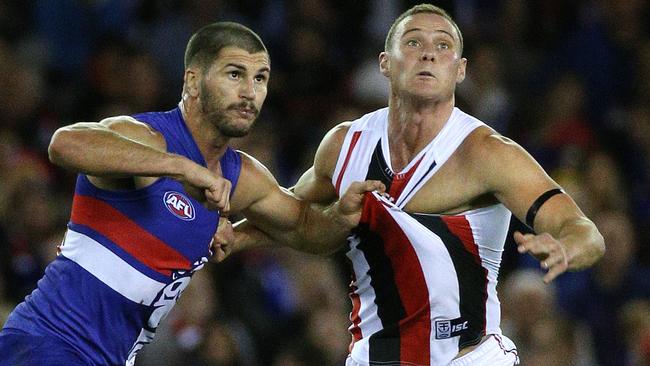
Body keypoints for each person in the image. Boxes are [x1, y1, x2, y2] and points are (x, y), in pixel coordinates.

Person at [226, 4, 605, 366]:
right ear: (385, 64)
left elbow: (583, 230)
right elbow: (294, 215)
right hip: (371, 357)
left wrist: (565, 247)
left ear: (460, 70)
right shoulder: (345, 145)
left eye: (443, 46)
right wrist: (233, 235)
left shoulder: (487, 153)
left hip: (467, 358)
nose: (429, 54)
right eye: (413, 42)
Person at [0, 22, 383, 366]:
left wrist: (342, 214)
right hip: (45, 344)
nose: (250, 92)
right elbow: (65, 144)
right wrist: (182, 166)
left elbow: (305, 230)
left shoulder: (243, 176)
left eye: (261, 78)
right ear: (192, 82)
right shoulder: (146, 136)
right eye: (235, 74)